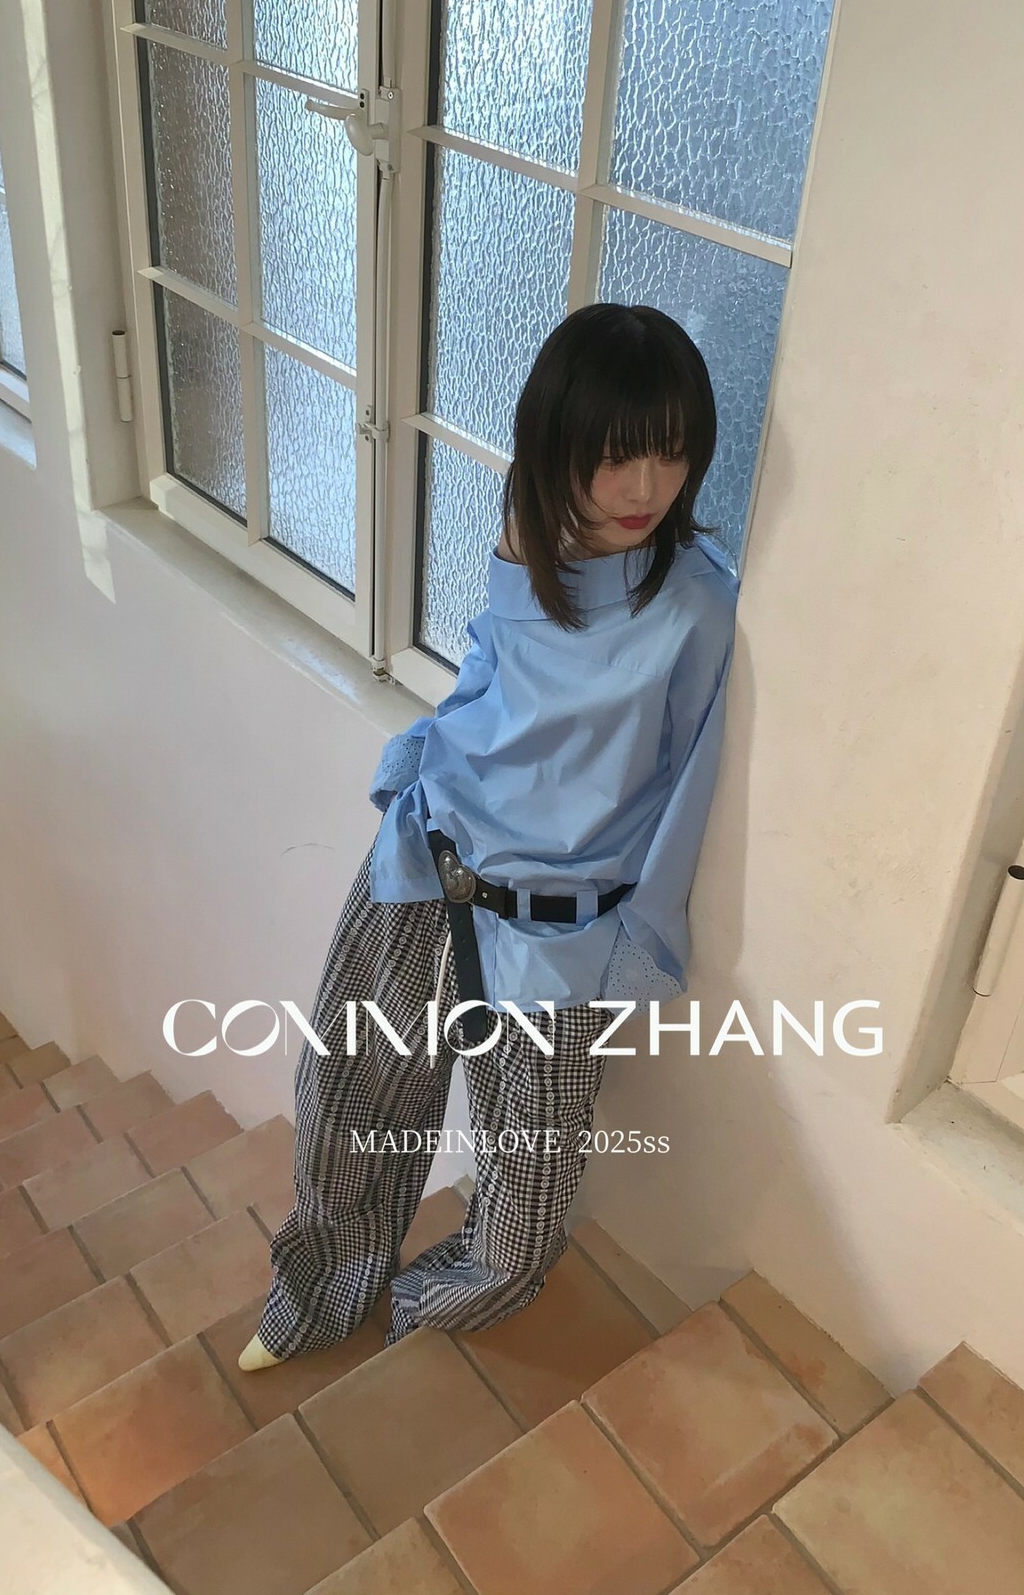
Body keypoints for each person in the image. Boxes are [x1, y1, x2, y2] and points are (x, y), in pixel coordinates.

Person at [239, 302, 740, 1370]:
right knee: (349, 1105)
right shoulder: (529, 535)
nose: (644, 488)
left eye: (670, 452)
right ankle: (317, 1298)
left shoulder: (698, 608)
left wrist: (638, 946)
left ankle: (423, 1314)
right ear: (555, 450)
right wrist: (423, 761)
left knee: (524, 1207)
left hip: (556, 933)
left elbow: (690, 790)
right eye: (613, 456)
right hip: (428, 860)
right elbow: (494, 671)